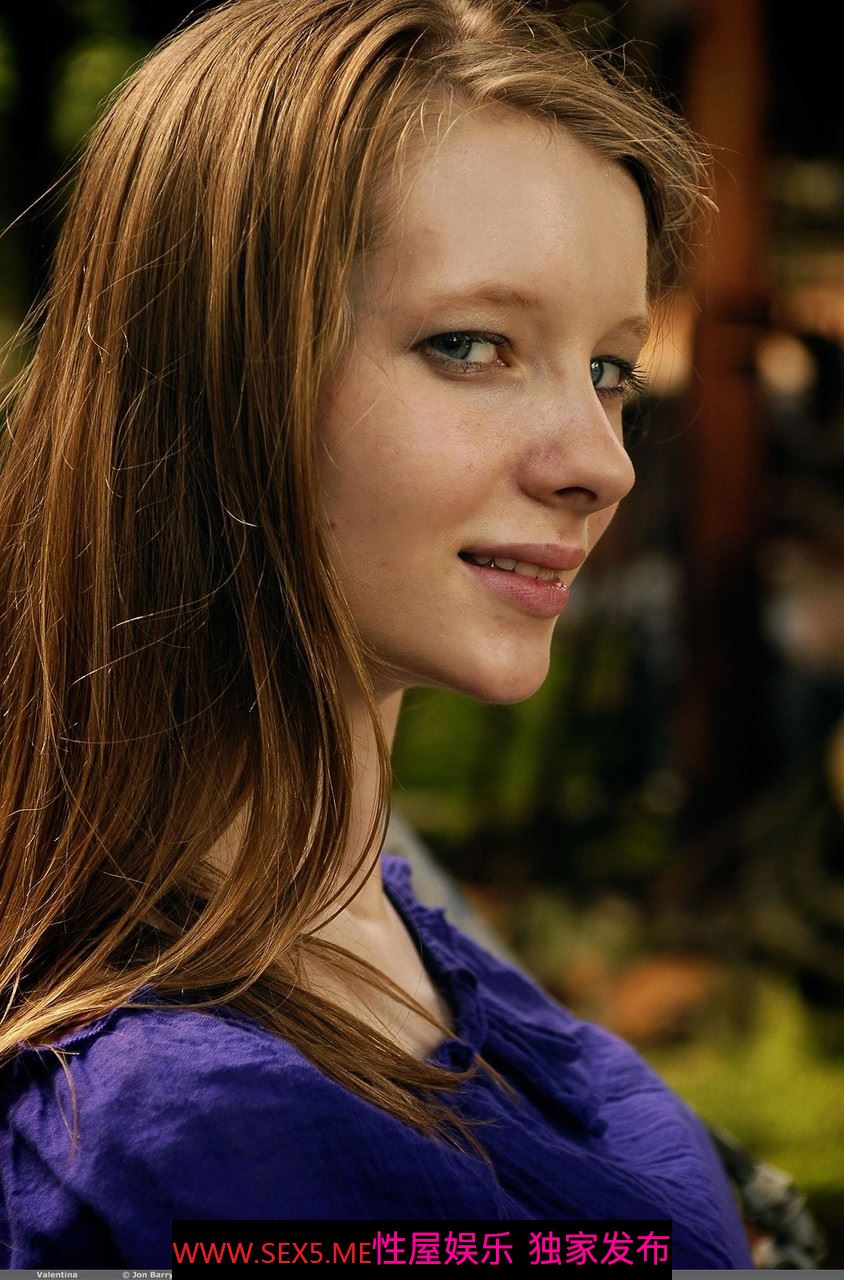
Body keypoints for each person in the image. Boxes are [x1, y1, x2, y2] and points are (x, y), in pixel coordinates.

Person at [0, 0, 752, 1267]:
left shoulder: (368, 911)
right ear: (219, 375)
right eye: (471, 345)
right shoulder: (199, 1142)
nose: (601, 463)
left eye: (608, 369)